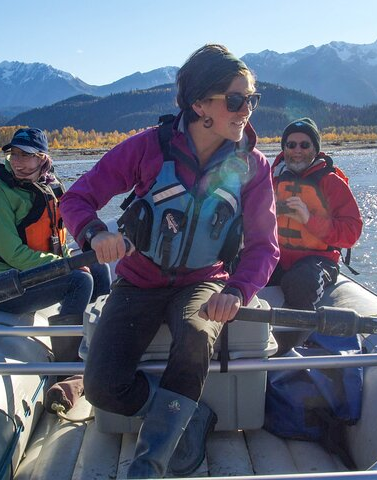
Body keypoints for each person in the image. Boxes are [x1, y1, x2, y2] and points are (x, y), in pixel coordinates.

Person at [59, 44, 279, 478]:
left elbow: (263, 245)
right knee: (102, 387)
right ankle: (189, 416)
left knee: (197, 333)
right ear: (199, 104)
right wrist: (95, 233)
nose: (246, 111)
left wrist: (237, 290)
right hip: (138, 280)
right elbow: (77, 198)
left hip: (203, 281)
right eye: (236, 100)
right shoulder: (146, 148)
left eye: (252, 99)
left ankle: (150, 465)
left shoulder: (252, 165)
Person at [0, 127, 111, 362]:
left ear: (42, 158)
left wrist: (69, 260)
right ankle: (68, 364)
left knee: (98, 266)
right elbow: (13, 254)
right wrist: (65, 265)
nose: (18, 162)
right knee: (79, 280)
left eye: (25, 155)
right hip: (7, 285)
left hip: (39, 274)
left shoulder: (51, 187)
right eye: (14, 155)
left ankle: (103, 342)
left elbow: (59, 240)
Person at [269, 117, 363, 353]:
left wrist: (309, 220)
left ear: (315, 149)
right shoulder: (273, 178)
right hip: (277, 254)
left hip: (318, 261)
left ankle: (284, 350)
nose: (297, 151)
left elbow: (351, 233)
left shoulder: (331, 183)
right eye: (291, 145)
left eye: (304, 145)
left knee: (300, 283)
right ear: (284, 149)